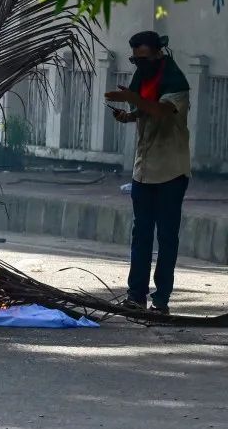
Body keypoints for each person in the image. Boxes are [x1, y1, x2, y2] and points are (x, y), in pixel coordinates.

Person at [105, 31, 191, 315]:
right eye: (134, 59)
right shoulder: (142, 78)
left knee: (167, 238)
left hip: (170, 171)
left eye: (143, 58)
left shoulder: (175, 81)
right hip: (143, 170)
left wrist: (134, 100)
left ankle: (161, 301)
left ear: (158, 53)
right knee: (140, 235)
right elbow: (142, 111)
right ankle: (135, 296)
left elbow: (160, 111)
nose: (139, 64)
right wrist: (127, 114)